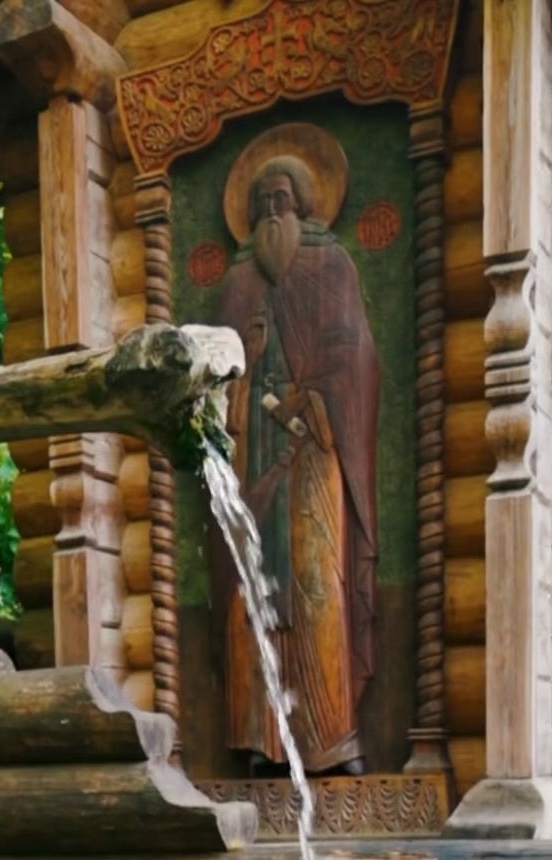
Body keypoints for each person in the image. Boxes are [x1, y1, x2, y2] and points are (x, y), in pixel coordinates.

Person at [213, 153, 380, 775]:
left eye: (283, 198)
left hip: (314, 452)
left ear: (305, 203)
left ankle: (330, 740)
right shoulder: (236, 284)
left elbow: (355, 355)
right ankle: (264, 742)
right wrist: (249, 361)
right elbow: (215, 376)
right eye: (262, 203)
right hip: (255, 453)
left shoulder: (331, 264)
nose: (272, 212)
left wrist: (315, 399)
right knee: (254, 590)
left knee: (316, 588)